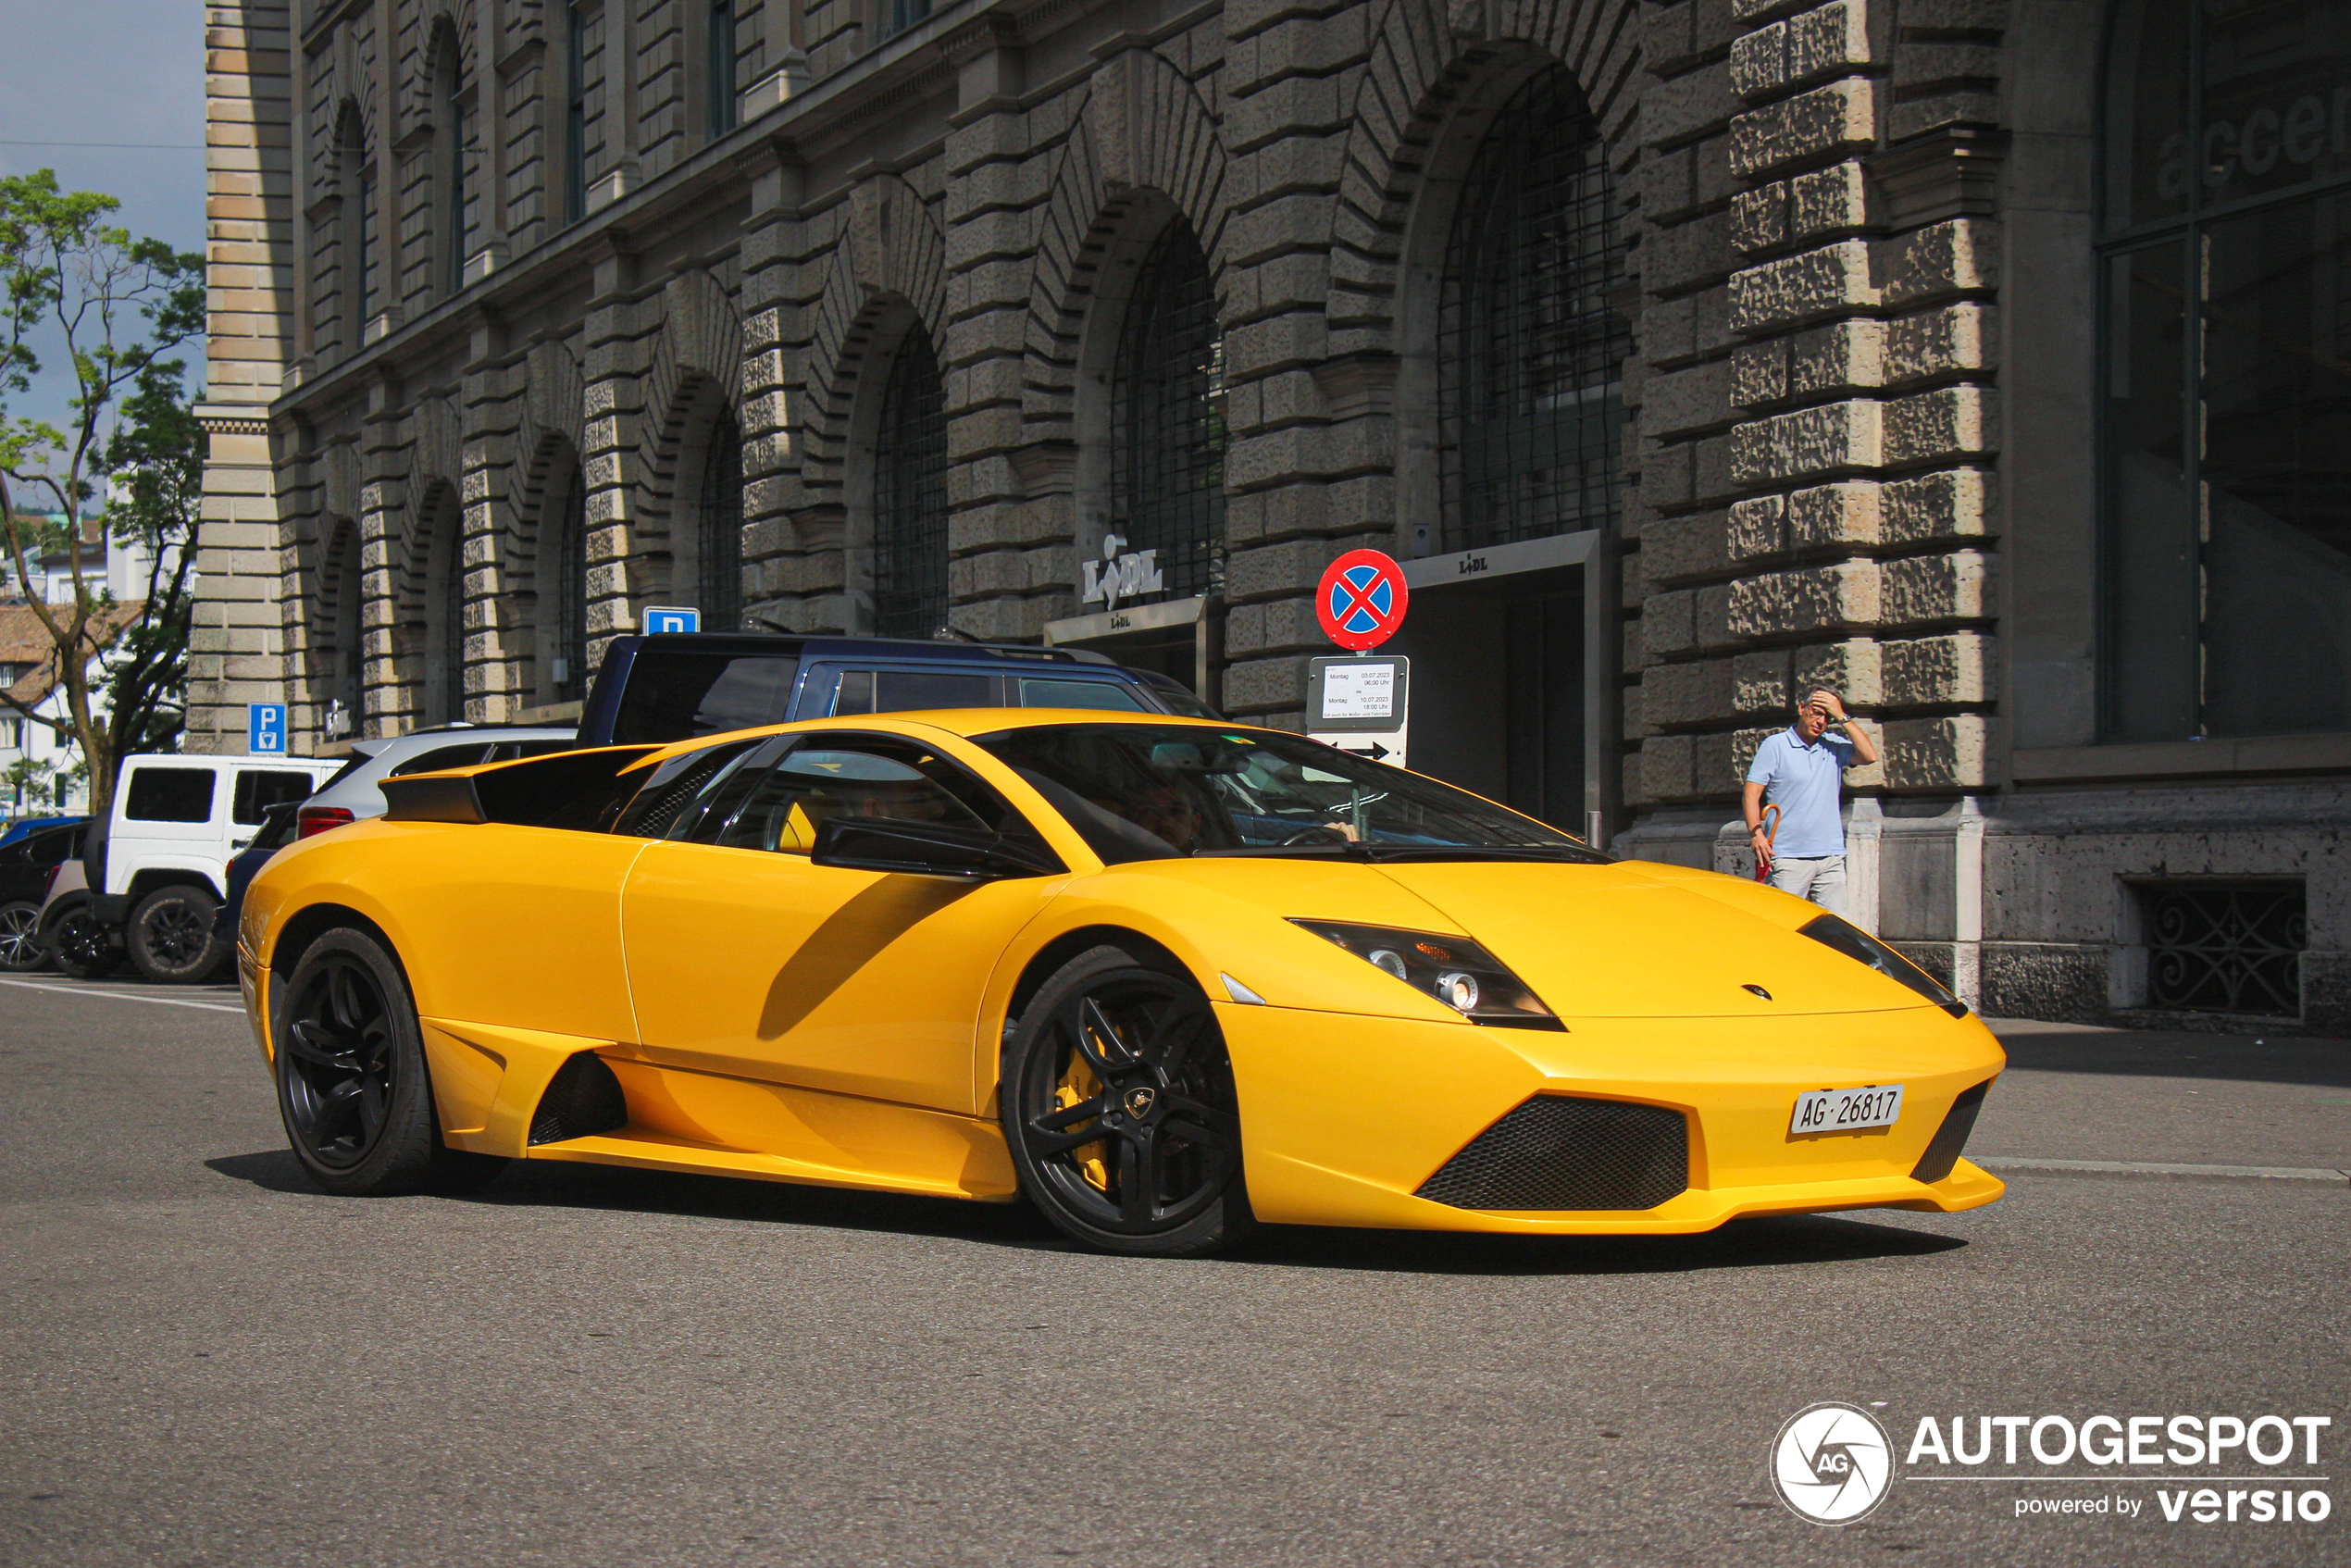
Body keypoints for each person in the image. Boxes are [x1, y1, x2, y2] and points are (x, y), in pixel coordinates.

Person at [1743, 688, 1878, 915]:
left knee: (1836, 929)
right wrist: (1756, 834)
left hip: (1830, 856)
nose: (1821, 721)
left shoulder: (1833, 745)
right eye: (1816, 713)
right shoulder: (1776, 745)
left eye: (1827, 716)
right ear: (1801, 708)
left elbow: (1869, 756)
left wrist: (1842, 716)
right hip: (1789, 857)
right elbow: (1751, 793)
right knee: (1786, 926)